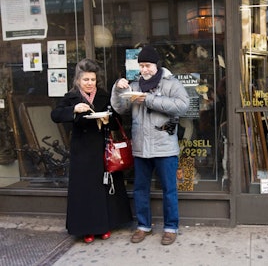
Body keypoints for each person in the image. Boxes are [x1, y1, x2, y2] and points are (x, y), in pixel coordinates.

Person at [111, 45, 189, 245]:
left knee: (169, 189)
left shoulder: (171, 83)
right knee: (140, 189)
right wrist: (117, 89)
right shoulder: (135, 85)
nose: (144, 70)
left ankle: (171, 228)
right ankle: (143, 226)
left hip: (165, 146)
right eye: (141, 66)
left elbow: (182, 106)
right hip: (141, 147)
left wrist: (149, 99)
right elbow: (120, 108)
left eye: (148, 66)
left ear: (157, 65)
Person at [51, 58, 133, 243]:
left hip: (103, 148)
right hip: (82, 150)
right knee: (85, 191)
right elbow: (55, 115)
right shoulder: (71, 97)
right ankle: (86, 229)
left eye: (92, 80)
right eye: (86, 80)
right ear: (78, 80)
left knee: (104, 188)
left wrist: (106, 120)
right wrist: (74, 109)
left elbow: (116, 119)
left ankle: (105, 226)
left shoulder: (103, 96)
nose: (89, 83)